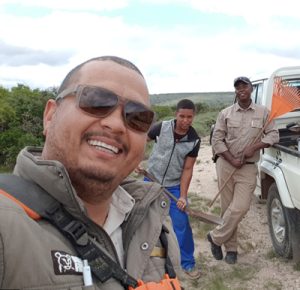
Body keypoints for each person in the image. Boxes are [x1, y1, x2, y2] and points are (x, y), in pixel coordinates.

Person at [0, 56, 182, 289]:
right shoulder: (8, 224)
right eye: (96, 101)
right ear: (50, 115)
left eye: (137, 117)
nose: (116, 125)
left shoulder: (154, 221)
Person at [207, 76, 279, 264]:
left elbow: (273, 134)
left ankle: (215, 237)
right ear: (235, 91)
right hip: (225, 164)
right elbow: (217, 139)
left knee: (240, 207)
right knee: (227, 207)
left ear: (251, 89)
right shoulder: (226, 113)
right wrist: (231, 158)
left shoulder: (264, 113)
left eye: (244, 86)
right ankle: (231, 249)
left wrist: (254, 147)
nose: (241, 89)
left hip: (247, 167)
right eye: (237, 87)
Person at [142, 99, 201, 279]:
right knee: (144, 220)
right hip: (151, 180)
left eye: (189, 117)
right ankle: (143, 260)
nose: (185, 120)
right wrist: (137, 160)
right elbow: (142, 140)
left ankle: (188, 263)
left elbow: (187, 169)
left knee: (181, 224)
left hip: (174, 186)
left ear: (193, 117)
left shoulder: (193, 140)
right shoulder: (161, 127)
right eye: (182, 116)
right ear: (176, 114)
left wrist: (183, 196)